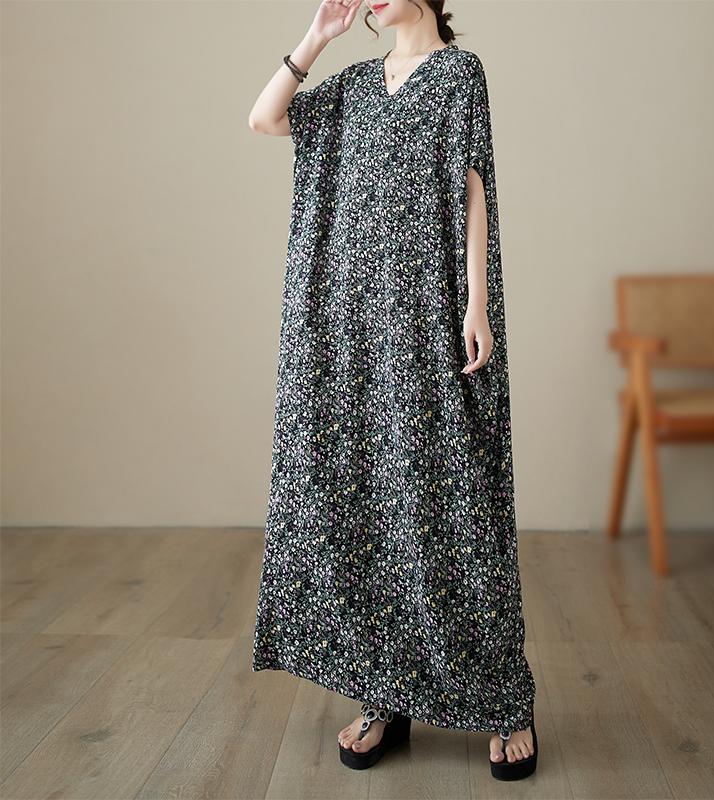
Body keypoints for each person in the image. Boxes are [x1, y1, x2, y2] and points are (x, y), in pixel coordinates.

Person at [248, 0, 538, 782]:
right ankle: (385, 695)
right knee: (367, 505)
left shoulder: (458, 74)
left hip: (429, 314)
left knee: (457, 498)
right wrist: (316, 38)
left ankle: (505, 702)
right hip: (350, 327)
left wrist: (476, 304)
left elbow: (473, 189)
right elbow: (264, 119)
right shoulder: (350, 86)